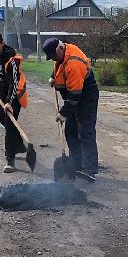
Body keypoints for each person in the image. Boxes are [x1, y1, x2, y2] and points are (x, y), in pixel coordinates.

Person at [43, 38, 99, 181]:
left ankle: (89, 169)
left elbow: (75, 95)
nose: (54, 59)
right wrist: (52, 76)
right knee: (70, 132)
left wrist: (63, 113)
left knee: (85, 133)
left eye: (54, 56)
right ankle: (77, 164)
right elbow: (59, 64)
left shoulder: (74, 64)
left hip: (85, 98)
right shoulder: (63, 53)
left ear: (60, 48)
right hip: (73, 98)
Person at [0, 32, 28, 172]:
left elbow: (14, 83)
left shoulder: (12, 58)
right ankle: (19, 145)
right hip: (0, 93)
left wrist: (9, 102)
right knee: (4, 121)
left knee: (9, 124)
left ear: (2, 43)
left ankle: (10, 159)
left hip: (14, 94)